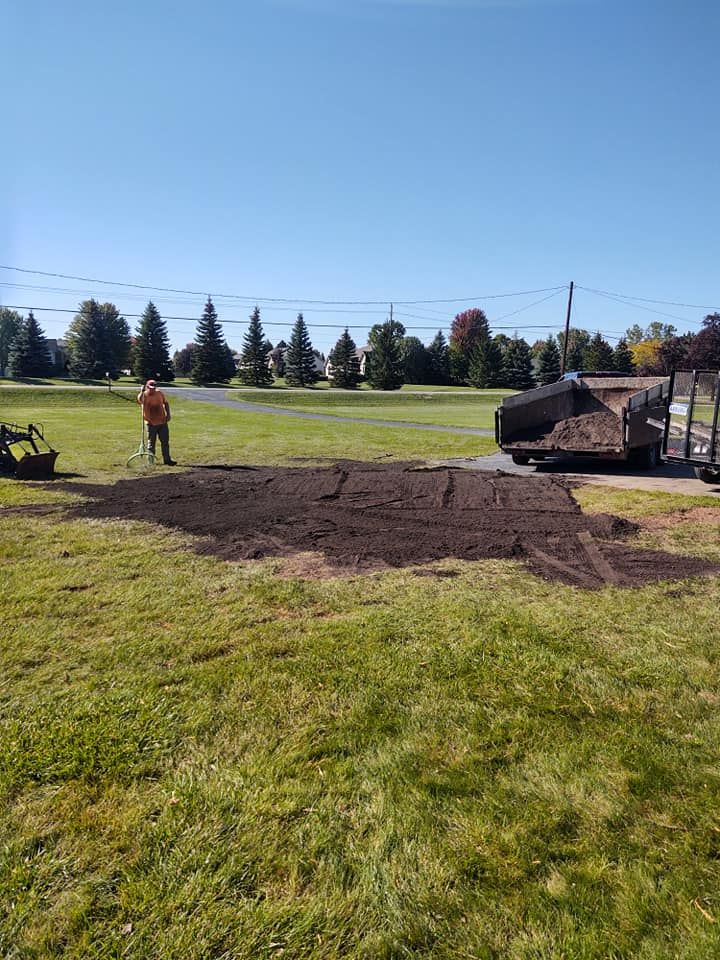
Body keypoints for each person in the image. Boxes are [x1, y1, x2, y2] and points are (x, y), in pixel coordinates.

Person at [137, 379, 177, 465]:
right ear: (147, 387)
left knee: (165, 442)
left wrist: (168, 414)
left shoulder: (159, 393)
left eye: (154, 387)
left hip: (162, 422)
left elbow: (166, 403)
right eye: (151, 388)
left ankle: (167, 460)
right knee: (151, 444)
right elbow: (140, 400)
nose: (153, 389)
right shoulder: (144, 395)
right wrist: (141, 391)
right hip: (151, 423)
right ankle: (151, 461)